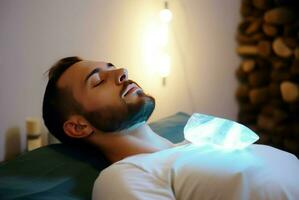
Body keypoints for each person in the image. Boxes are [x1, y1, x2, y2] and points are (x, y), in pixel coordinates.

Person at [43, 57, 299, 200]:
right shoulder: (124, 177)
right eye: (98, 81)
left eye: (113, 67)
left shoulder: (200, 140)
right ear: (78, 126)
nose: (122, 71)